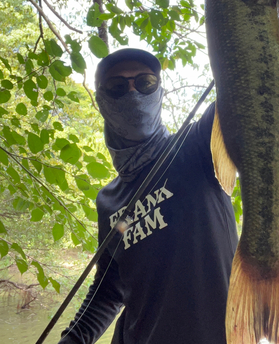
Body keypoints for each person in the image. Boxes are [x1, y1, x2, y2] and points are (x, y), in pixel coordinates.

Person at [58, 48, 238, 344]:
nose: (133, 92)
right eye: (117, 87)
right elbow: (108, 290)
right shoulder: (108, 201)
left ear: (159, 92)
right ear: (101, 102)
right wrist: (73, 339)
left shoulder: (198, 146)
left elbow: (241, 93)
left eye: (145, 84)